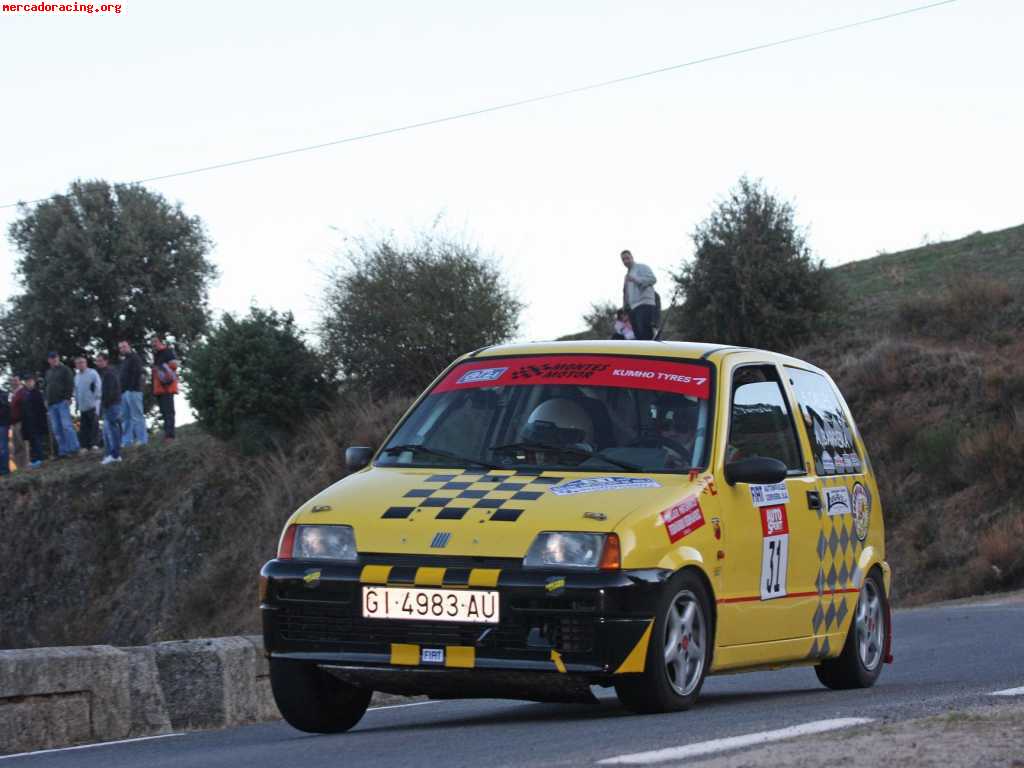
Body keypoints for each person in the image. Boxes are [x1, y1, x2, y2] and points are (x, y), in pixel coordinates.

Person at [44, 352, 80, 457]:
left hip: (62, 402)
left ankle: (74, 448)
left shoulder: (65, 369)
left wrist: (68, 398)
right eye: (51, 358)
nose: (54, 359)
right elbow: (46, 387)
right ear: (49, 360)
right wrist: (45, 399)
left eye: (55, 357)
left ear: (58, 358)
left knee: (67, 426)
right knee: (56, 428)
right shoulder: (48, 372)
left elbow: (70, 384)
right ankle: (63, 450)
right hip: (51, 404)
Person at [620, 249, 658, 341]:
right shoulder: (626, 275)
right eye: (623, 259)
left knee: (646, 333)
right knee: (639, 336)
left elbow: (653, 279)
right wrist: (625, 310)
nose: (626, 261)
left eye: (627, 258)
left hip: (645, 303)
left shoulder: (642, 267)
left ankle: (653, 353)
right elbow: (625, 293)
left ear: (632, 257)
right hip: (633, 308)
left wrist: (635, 279)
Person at [117, 340, 148, 446]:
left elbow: (137, 374)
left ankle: (142, 439)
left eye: (124, 347)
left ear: (129, 346)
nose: (122, 349)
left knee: (137, 416)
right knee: (126, 418)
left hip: (134, 391)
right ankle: (127, 441)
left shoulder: (135, 358)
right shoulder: (124, 361)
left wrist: (131, 388)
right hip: (124, 392)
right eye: (120, 347)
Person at [96, 353, 123, 465]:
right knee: (107, 432)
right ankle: (109, 454)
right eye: (97, 361)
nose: (98, 363)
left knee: (112, 430)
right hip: (109, 405)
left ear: (106, 361)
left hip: (112, 405)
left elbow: (111, 391)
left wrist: (105, 403)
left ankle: (115, 455)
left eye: (100, 360)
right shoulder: (104, 373)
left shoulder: (109, 373)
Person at [151, 336, 178, 441]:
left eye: (155, 342)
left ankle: (170, 435)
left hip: (167, 387)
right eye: (152, 343)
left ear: (161, 342)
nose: (153, 344)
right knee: (163, 411)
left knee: (169, 411)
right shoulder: (156, 355)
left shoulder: (167, 352)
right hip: (159, 388)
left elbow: (174, 366)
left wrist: (160, 368)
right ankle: (167, 434)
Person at [74, 356, 102, 451]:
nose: (80, 364)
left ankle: (95, 444)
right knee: (84, 427)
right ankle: (85, 446)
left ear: (86, 363)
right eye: (78, 363)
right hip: (82, 405)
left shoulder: (92, 373)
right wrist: (77, 405)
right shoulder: (76, 377)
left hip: (92, 404)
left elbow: (98, 386)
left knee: (94, 424)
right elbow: (76, 391)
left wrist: (96, 399)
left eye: (82, 362)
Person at [21, 374, 48, 468]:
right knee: (33, 442)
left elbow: (42, 409)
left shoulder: (37, 393)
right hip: (29, 423)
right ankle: (35, 460)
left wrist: (42, 422)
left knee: (37, 441)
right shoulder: (25, 394)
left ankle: (40, 459)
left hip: (37, 422)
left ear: (33, 382)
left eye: (30, 381)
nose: (28, 383)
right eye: (26, 381)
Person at [8, 375, 29, 469]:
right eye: (12, 381)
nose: (14, 382)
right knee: (16, 446)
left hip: (21, 421)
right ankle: (19, 467)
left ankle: (26, 465)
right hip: (13, 423)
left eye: (16, 380)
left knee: (23, 444)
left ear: (20, 381)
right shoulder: (12, 394)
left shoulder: (22, 392)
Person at [0, 383, 10, 476]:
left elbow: (6, 409)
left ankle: (5, 469)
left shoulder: (3, 394)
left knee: (3, 447)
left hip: (2, 424)